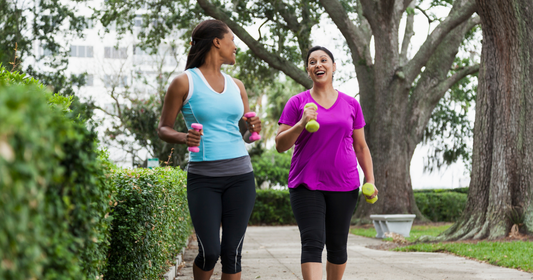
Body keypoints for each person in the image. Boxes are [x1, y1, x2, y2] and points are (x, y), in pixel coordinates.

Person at [157, 19, 261, 280]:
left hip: (241, 176)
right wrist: (184, 137)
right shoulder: (184, 82)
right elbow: (163, 128)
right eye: (232, 40)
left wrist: (253, 129)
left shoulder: (237, 86)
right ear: (217, 42)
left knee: (232, 253)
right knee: (209, 251)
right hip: (204, 179)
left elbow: (246, 136)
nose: (235, 47)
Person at [275, 46, 378, 280]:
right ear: (308, 70)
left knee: (338, 246)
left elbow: (361, 146)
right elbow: (281, 144)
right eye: (312, 62)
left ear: (333, 66)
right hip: (306, 183)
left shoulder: (351, 104)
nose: (318, 65)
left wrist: (369, 179)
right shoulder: (297, 102)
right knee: (312, 242)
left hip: (345, 183)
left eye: (324, 60)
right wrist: (301, 124)